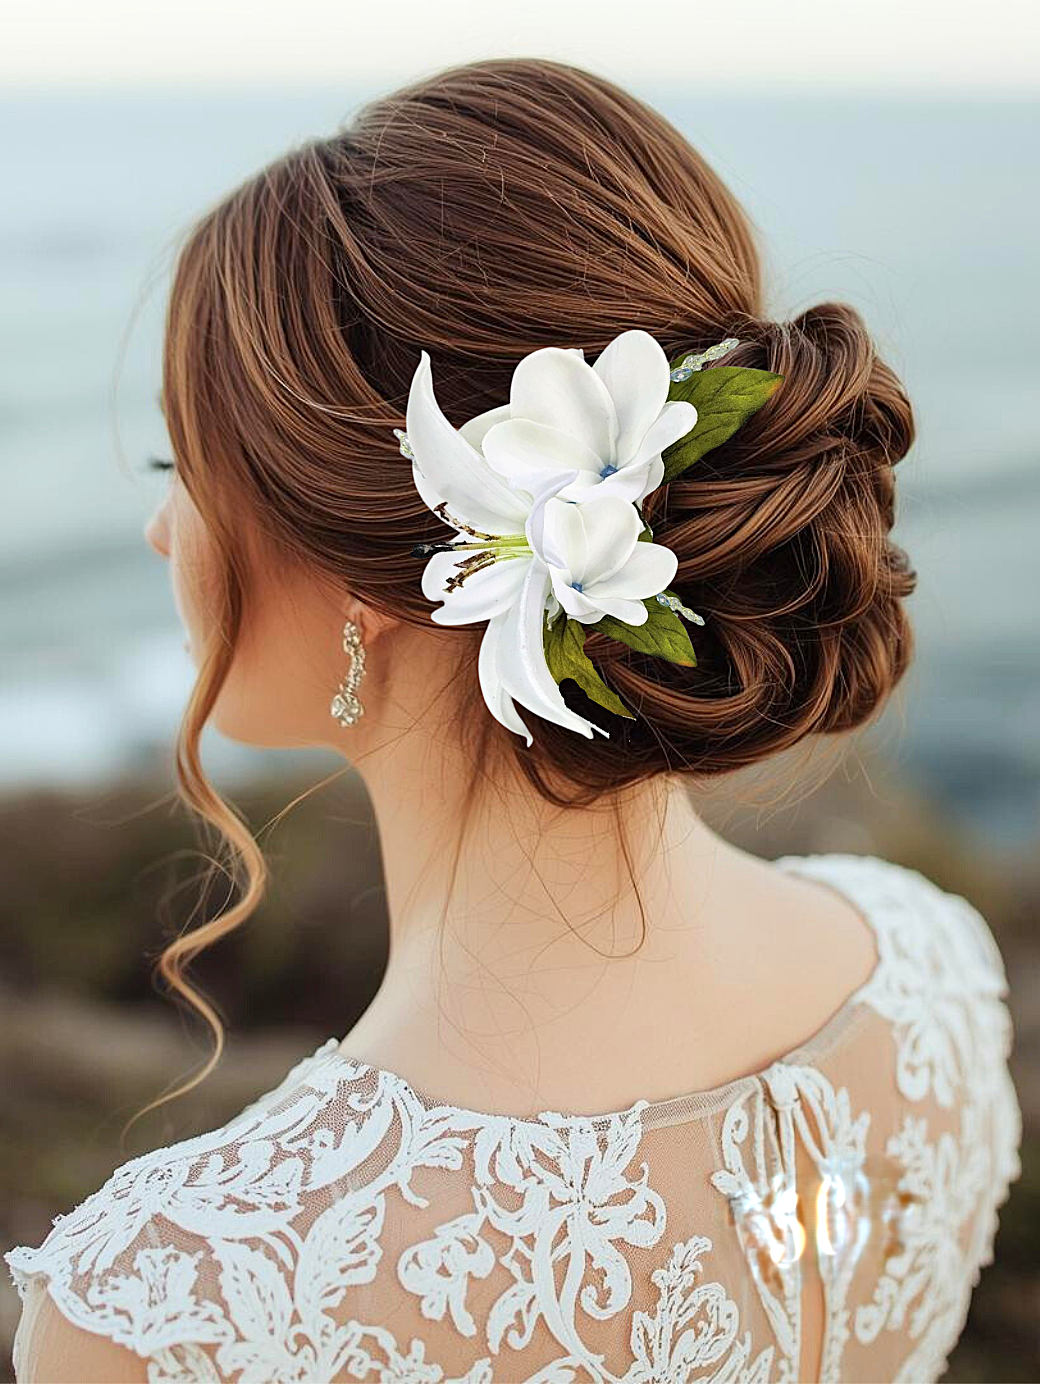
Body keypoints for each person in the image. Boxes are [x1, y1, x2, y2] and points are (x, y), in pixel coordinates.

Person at [4, 56, 1021, 1384]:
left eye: (181, 464)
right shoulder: (929, 975)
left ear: (376, 580)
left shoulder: (179, 1305)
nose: (158, 526)